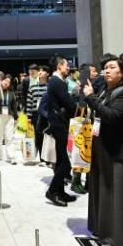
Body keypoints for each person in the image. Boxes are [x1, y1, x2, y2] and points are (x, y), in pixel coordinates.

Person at [82, 53, 123, 246]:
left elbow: (111, 116)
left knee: (119, 197)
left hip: (118, 151)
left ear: (122, 72)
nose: (107, 71)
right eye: (105, 68)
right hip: (104, 149)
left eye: (111, 67)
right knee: (106, 193)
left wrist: (91, 97)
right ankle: (105, 232)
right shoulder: (106, 91)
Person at [45, 55, 78, 206]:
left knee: (61, 159)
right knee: (66, 161)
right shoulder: (57, 82)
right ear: (59, 66)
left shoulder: (56, 81)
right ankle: (52, 191)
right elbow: (70, 104)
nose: (69, 67)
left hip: (58, 123)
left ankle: (60, 191)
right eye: (66, 65)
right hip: (59, 124)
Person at [0, 76, 19, 163]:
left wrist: (16, 117)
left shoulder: (11, 93)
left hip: (9, 117)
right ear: (2, 81)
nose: (6, 83)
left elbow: (14, 106)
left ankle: (11, 157)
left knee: (9, 137)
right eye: (5, 81)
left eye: (8, 82)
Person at [29, 66, 49, 161]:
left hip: (47, 114)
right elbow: (29, 102)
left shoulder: (49, 87)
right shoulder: (32, 87)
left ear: (47, 74)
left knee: (47, 135)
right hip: (35, 114)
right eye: (39, 71)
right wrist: (28, 116)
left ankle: (48, 156)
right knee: (38, 135)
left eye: (43, 71)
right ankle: (42, 157)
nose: (40, 72)